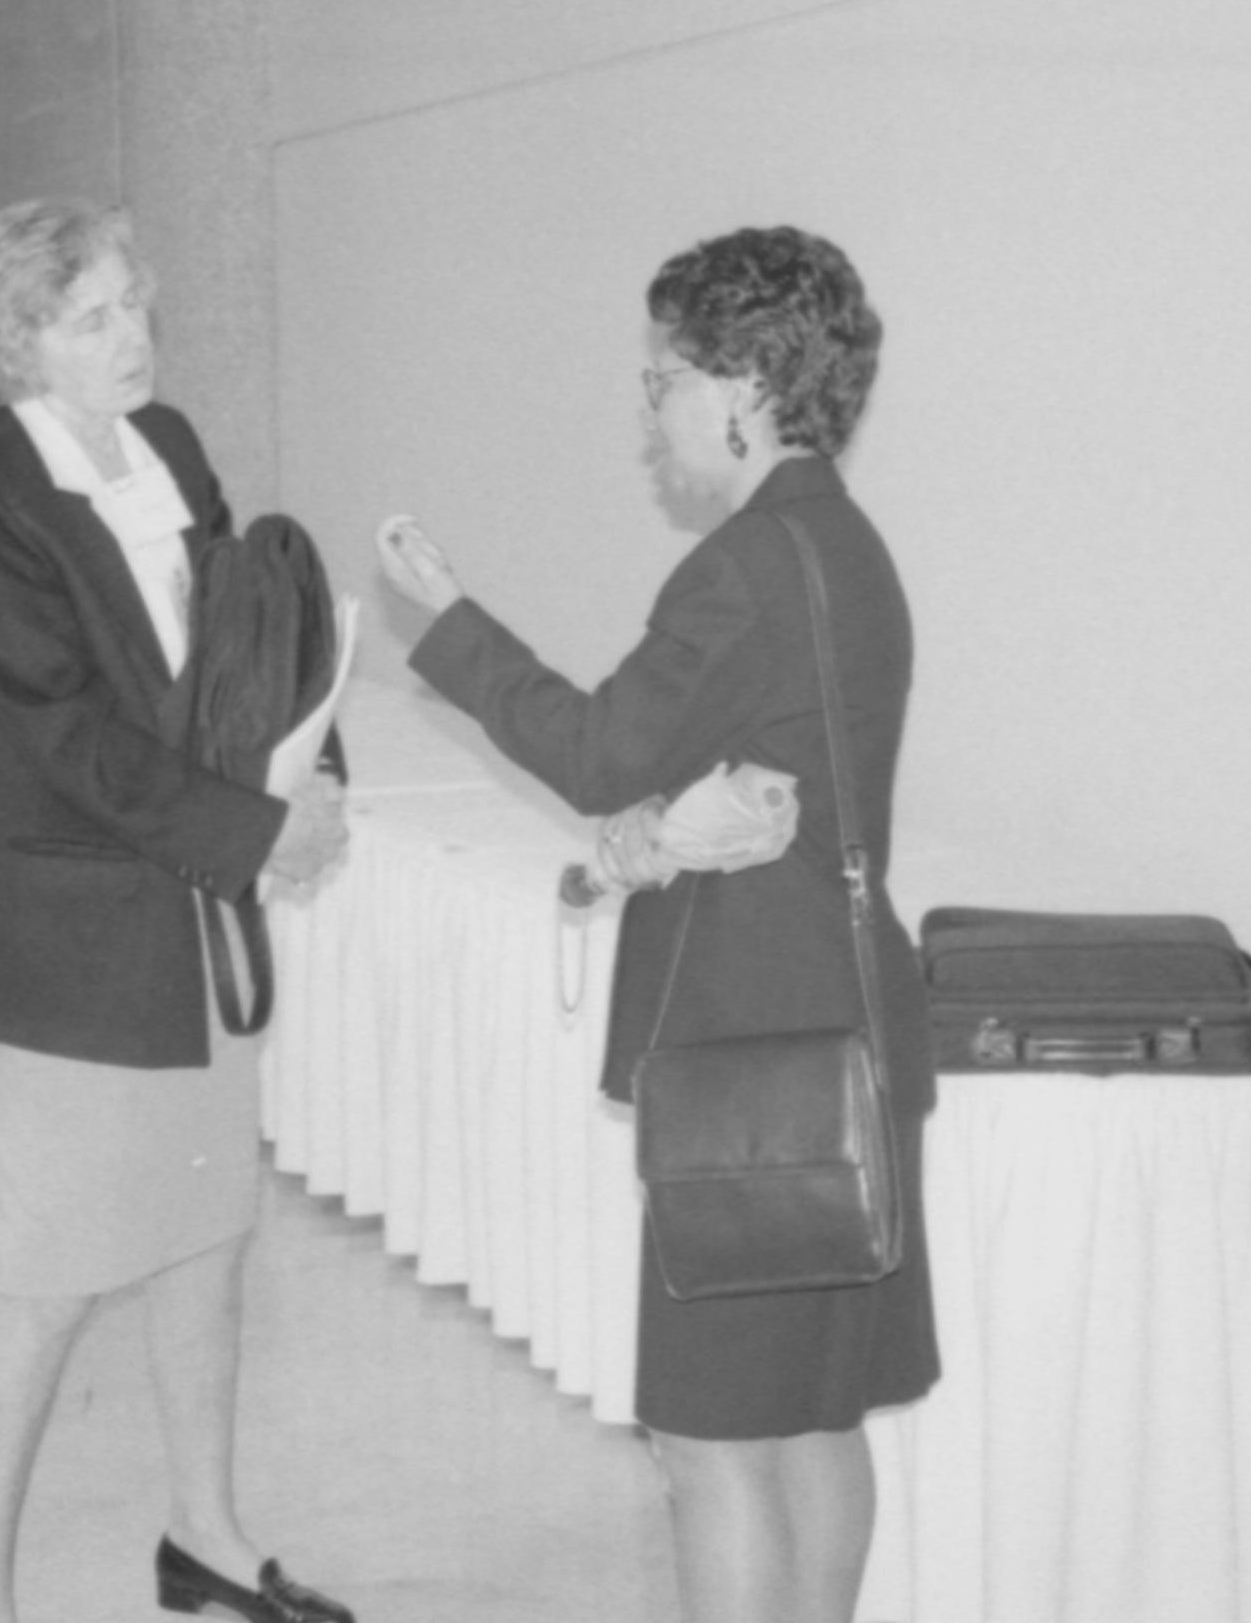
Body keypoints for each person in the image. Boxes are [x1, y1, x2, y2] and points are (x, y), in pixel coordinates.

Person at [375, 225, 936, 1623]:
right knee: (813, 1419)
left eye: (658, 380)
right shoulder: (847, 549)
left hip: (756, 1054)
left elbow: (599, 749)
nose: (647, 413)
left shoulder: (745, 565)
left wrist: (448, 625)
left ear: (740, 383)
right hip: (850, 1025)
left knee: (708, 1445)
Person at [0, 198, 358, 1623]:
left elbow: (254, 636)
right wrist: (252, 832)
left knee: (202, 1238)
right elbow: (62, 733)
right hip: (77, 934)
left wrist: (316, 772)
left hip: (195, 907)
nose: (134, 337)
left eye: (137, 306)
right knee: (48, 1282)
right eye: (93, 316)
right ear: (14, 340)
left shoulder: (167, 448)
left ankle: (207, 1541)